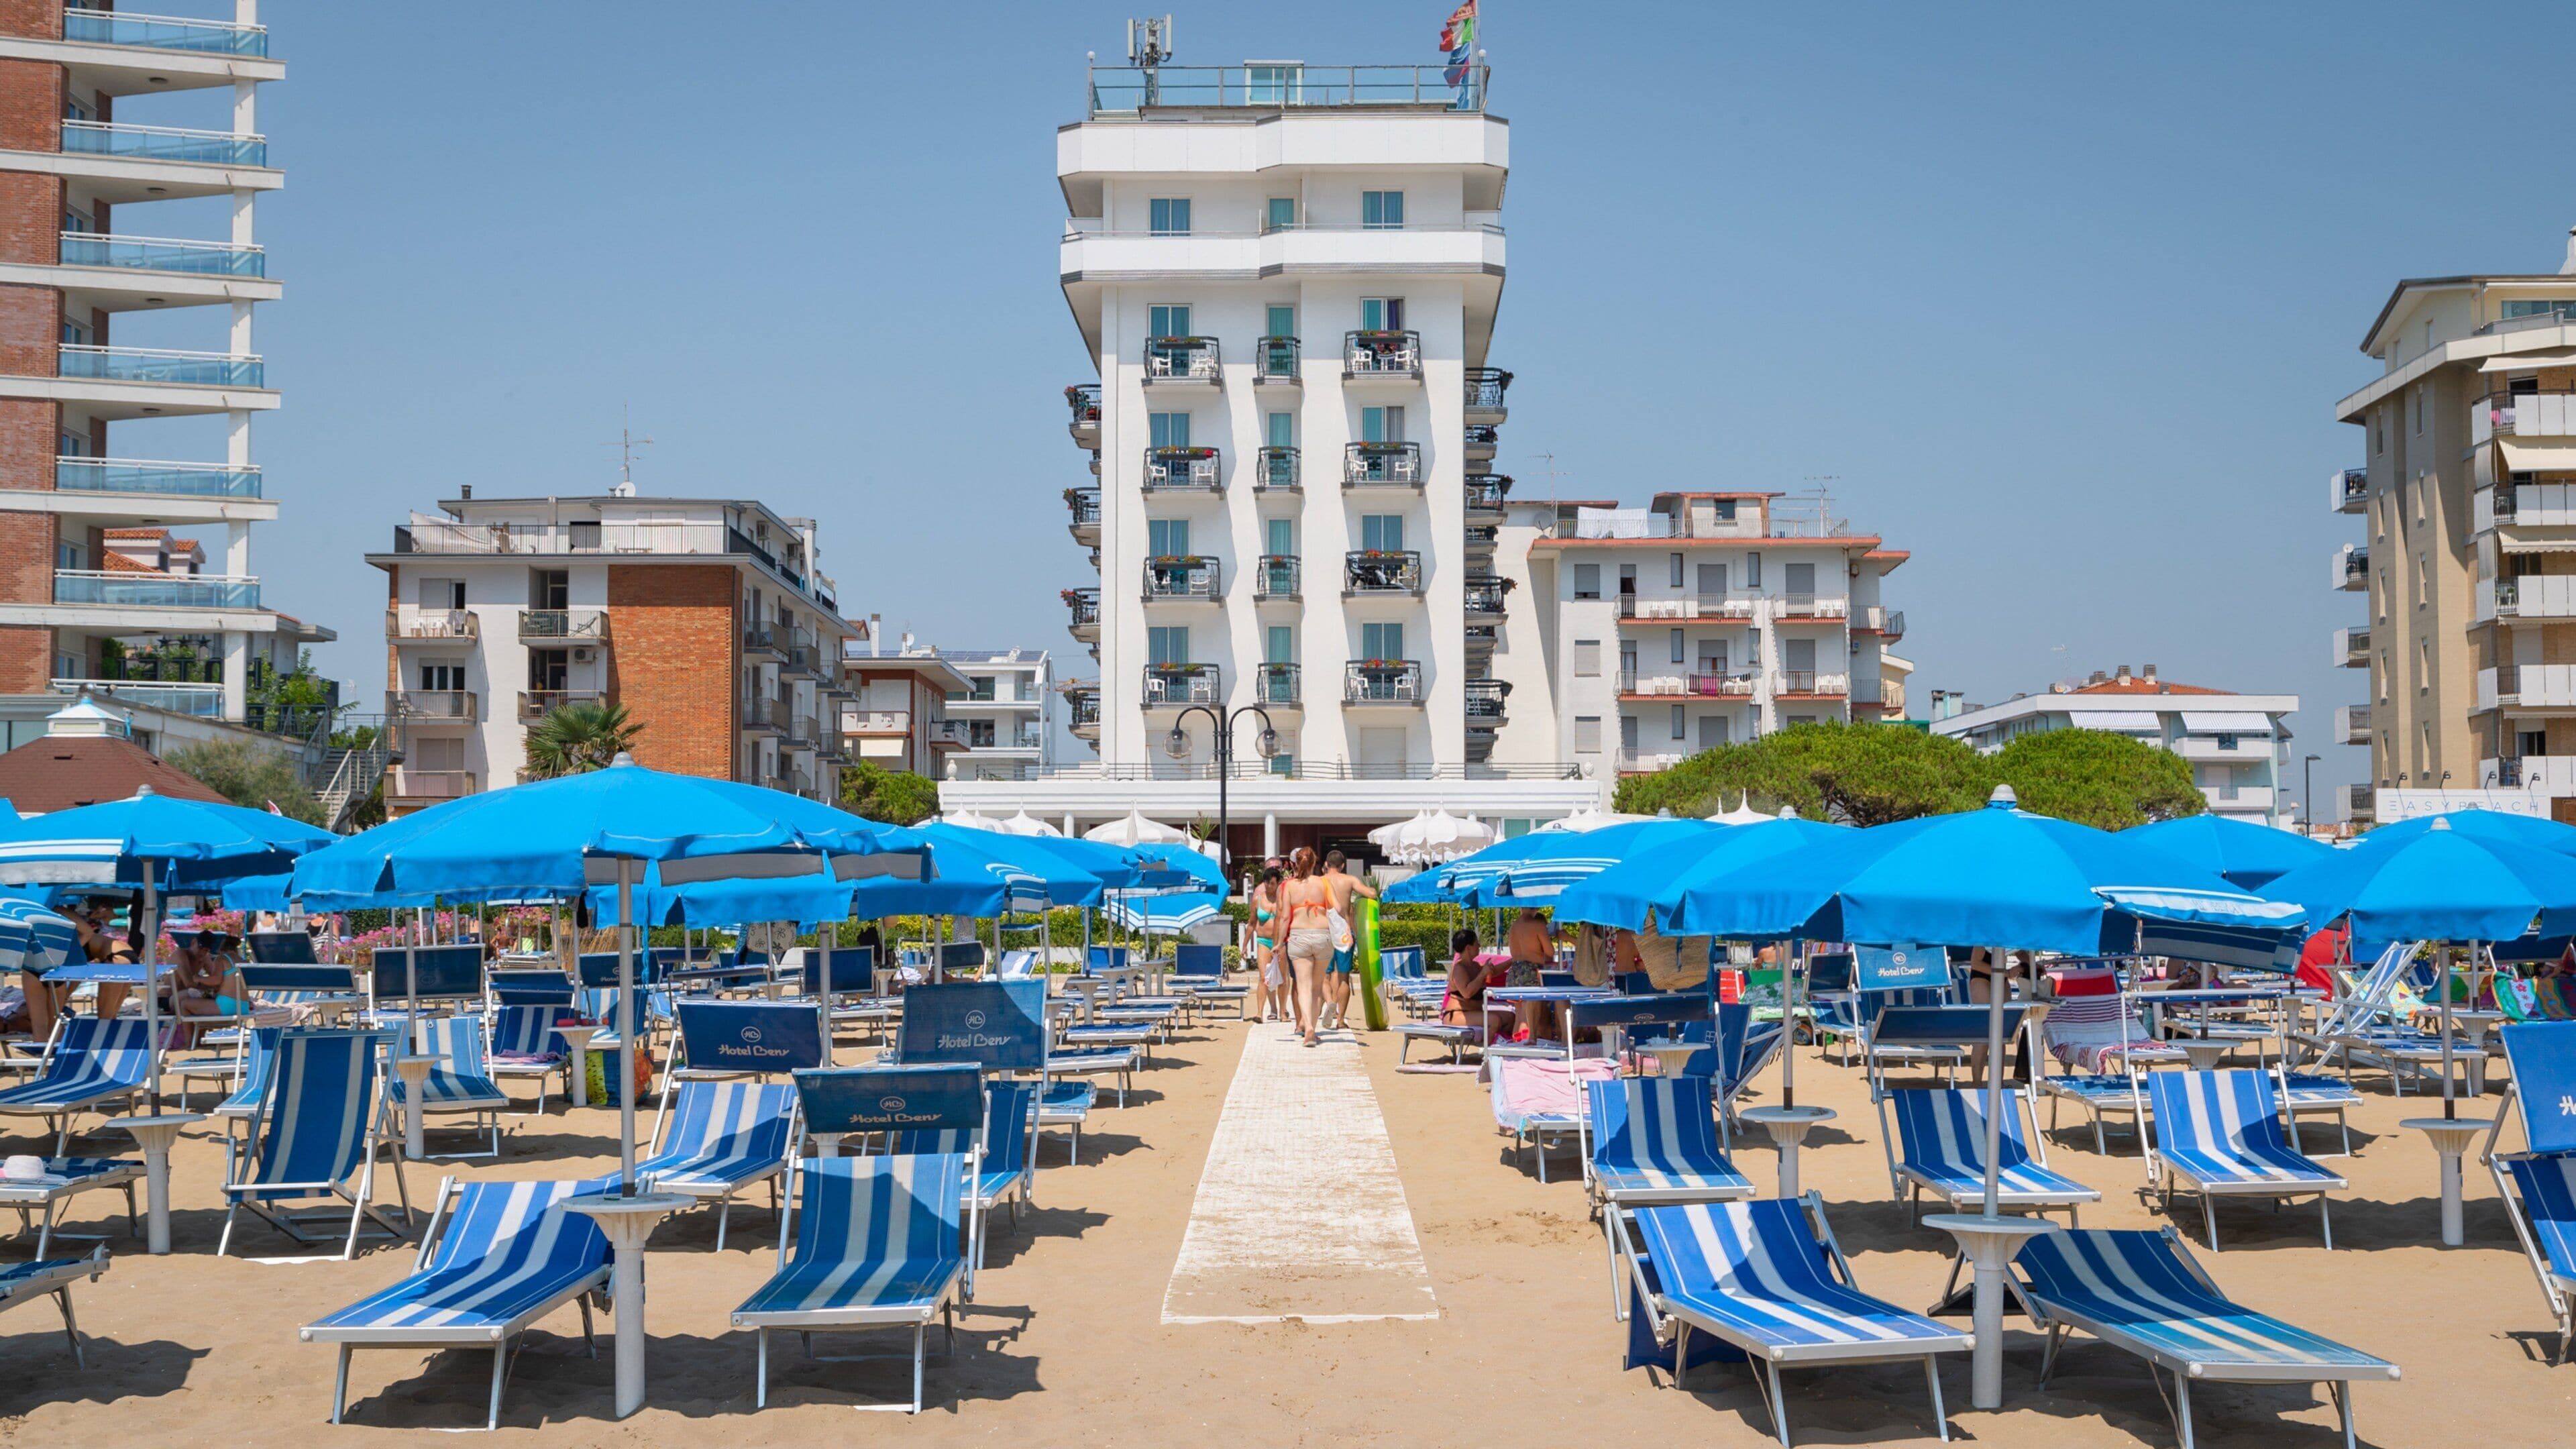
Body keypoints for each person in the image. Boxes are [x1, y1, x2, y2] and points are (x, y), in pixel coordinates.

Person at [1278, 848, 1338, 1047]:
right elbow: (1337, 908)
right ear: (1315, 863)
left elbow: (1284, 917)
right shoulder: (1324, 882)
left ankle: (1308, 1028)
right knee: (1316, 988)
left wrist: (1279, 942)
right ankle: (1313, 1027)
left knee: (1303, 985)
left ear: (1295, 864)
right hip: (1322, 935)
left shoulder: (1289, 886)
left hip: (1299, 936)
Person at [1318, 850, 1379, 1030]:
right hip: (1344, 932)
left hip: (1324, 930)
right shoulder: (1349, 880)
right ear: (1343, 865)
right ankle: (1340, 1019)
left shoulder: (1319, 881)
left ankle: (1328, 1004)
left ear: (1326, 864)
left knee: (1324, 975)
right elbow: (1371, 894)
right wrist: (1372, 890)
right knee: (1344, 976)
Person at [1246, 866, 1285, 1022]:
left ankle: (1282, 1011)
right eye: (1267, 883)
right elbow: (1251, 923)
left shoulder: (1283, 900)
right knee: (1264, 977)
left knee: (1282, 978)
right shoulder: (1258, 899)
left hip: (1280, 942)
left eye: (1272, 883)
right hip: (1263, 941)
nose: (1269, 886)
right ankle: (1259, 1012)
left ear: (1278, 883)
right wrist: (1244, 945)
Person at [1440, 927, 1489, 1028]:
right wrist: (1483, 974)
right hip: (1457, 1014)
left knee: (1510, 1017)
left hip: (1474, 1013)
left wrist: (1514, 960)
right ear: (1468, 948)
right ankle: (1489, 1039)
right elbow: (1467, 993)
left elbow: (1494, 970)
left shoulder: (1475, 966)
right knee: (1495, 1020)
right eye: (1476, 944)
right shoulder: (1459, 969)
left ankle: (1494, 1037)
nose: (1479, 946)